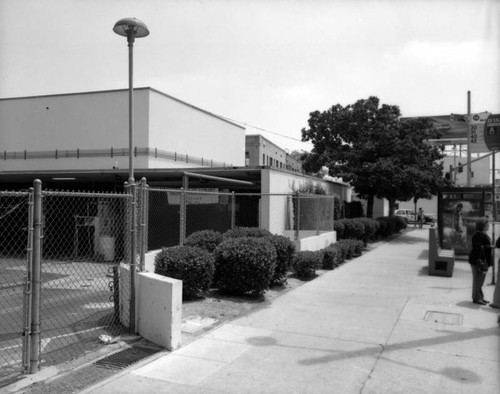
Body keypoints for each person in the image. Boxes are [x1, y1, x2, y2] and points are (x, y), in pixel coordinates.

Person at [468, 217, 492, 305]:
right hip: (477, 261)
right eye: (487, 224)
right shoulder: (477, 235)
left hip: (482, 261)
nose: (489, 225)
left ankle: (480, 297)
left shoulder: (483, 234)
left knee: (480, 280)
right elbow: (478, 247)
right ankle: (476, 298)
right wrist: (489, 247)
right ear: (483, 226)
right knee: (477, 280)